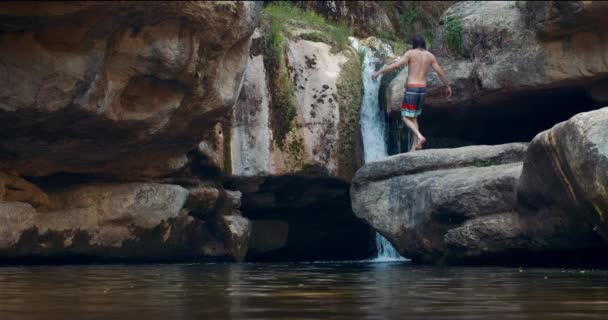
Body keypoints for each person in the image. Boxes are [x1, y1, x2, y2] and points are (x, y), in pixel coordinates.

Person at [372, 35, 452, 151]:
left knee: (404, 117)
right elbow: (440, 72)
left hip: (412, 89)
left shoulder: (411, 53)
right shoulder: (430, 56)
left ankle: (420, 136)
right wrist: (448, 85)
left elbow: (396, 65)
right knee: (414, 117)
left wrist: (379, 72)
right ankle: (415, 146)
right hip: (422, 90)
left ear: (414, 44)